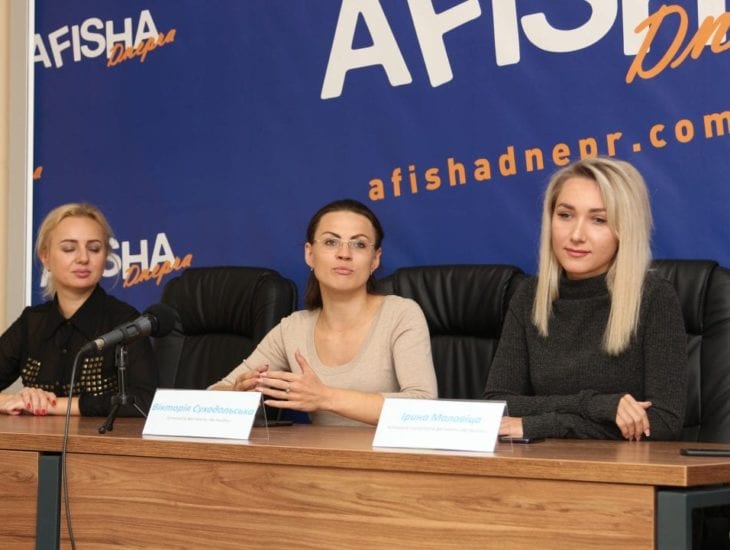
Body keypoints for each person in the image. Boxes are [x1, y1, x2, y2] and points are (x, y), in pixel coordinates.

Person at [483, 157, 687, 440]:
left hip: (621, 466)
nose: (576, 235)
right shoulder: (529, 295)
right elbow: (498, 405)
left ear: (625, 230)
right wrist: (596, 405)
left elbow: (663, 422)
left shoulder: (654, 297)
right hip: (540, 463)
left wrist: (543, 424)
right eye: (565, 215)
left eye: (599, 220)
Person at [210, 198, 438, 426]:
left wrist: (325, 397)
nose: (344, 254)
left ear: (375, 259)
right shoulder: (293, 328)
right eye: (331, 242)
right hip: (320, 450)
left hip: (390, 451)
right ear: (310, 254)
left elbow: (423, 406)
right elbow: (214, 393)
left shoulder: (401, 314)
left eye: (359, 244)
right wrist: (237, 395)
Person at [0, 203, 157, 417]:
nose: (83, 258)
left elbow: (146, 401)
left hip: (100, 439)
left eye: (94, 249)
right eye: (68, 248)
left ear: (106, 257)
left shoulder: (126, 321)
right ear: (45, 257)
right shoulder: (31, 322)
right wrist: (11, 401)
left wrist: (50, 405)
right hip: (35, 438)